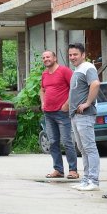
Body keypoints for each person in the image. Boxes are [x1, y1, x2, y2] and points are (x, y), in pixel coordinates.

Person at [40, 50, 79, 180]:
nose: (46, 59)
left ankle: (73, 170)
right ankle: (58, 169)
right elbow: (42, 90)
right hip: (48, 114)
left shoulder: (64, 71)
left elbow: (74, 88)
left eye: (48, 57)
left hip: (62, 113)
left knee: (67, 141)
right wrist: (43, 102)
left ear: (55, 58)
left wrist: (67, 104)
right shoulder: (44, 74)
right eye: (44, 57)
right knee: (53, 142)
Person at [68, 43, 101, 191]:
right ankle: (86, 180)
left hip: (85, 115)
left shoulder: (88, 67)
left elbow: (95, 84)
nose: (72, 57)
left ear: (83, 55)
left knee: (89, 148)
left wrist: (88, 102)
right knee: (82, 148)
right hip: (76, 115)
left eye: (75, 54)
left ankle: (93, 181)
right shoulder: (77, 69)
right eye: (70, 55)